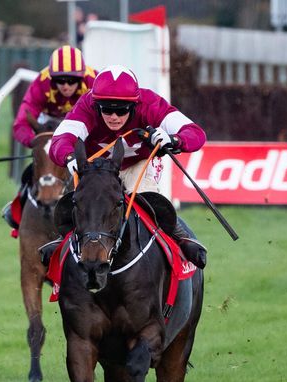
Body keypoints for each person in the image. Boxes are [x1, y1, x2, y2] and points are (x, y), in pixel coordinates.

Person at [47, 64, 208, 268]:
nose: (114, 117)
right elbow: (60, 139)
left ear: (134, 105)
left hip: (137, 164)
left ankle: (181, 238)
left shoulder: (150, 103)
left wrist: (174, 140)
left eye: (121, 110)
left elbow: (196, 133)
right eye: (107, 110)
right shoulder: (86, 105)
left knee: (149, 201)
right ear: (96, 106)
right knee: (81, 205)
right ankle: (62, 242)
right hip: (98, 169)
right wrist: (68, 158)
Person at [2, 45, 96, 229]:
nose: (66, 86)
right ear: (52, 78)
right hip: (50, 126)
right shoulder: (41, 83)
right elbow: (21, 123)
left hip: (84, 124)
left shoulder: (94, 81)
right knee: (34, 169)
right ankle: (19, 209)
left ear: (82, 76)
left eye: (72, 80)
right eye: (60, 80)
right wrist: (37, 144)